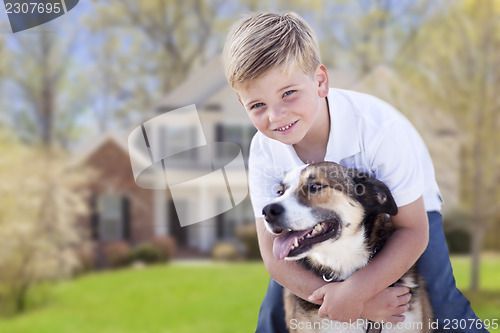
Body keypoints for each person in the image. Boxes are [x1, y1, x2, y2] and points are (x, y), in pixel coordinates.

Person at [222, 12, 486, 333]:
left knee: (443, 305)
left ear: (320, 81)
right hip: (307, 221)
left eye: (289, 93)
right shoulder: (264, 149)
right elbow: (274, 254)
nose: (276, 116)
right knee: (275, 313)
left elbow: (412, 231)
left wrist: (357, 291)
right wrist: (352, 302)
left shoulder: (379, 130)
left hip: (408, 210)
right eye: (257, 105)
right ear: (242, 103)